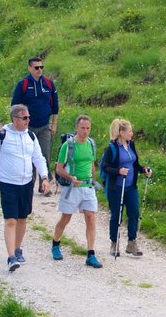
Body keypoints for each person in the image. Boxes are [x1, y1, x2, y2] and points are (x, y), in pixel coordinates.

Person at [0, 104, 50, 272]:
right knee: (11, 220)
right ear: (14, 119)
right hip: (8, 183)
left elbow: (39, 158)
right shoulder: (2, 136)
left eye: (28, 118)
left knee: (22, 218)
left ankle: (17, 249)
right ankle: (11, 257)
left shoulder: (30, 136)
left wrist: (44, 178)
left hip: (26, 183)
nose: (28, 121)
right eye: (24, 118)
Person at [51, 115, 102, 268]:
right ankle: (55, 244)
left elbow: (91, 163)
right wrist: (70, 178)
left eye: (88, 128)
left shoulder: (91, 144)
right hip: (72, 188)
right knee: (66, 218)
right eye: (82, 128)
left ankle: (91, 254)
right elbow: (59, 169)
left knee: (90, 217)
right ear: (76, 128)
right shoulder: (68, 145)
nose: (85, 131)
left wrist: (92, 180)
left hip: (87, 187)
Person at [102, 118, 153, 257]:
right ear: (121, 133)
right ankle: (114, 244)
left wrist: (144, 170)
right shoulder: (112, 148)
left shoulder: (131, 145)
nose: (132, 133)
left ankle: (132, 243)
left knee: (134, 213)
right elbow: (105, 167)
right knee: (116, 216)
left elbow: (135, 164)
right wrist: (118, 171)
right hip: (116, 187)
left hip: (130, 186)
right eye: (129, 131)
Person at [11, 57, 59, 195]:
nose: (39, 70)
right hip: (27, 127)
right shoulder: (23, 85)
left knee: (44, 155)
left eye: (41, 67)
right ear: (30, 68)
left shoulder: (48, 84)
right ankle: (28, 186)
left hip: (44, 125)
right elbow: (14, 106)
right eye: (36, 67)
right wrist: (17, 124)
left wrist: (54, 124)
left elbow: (55, 106)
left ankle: (44, 186)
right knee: (28, 157)